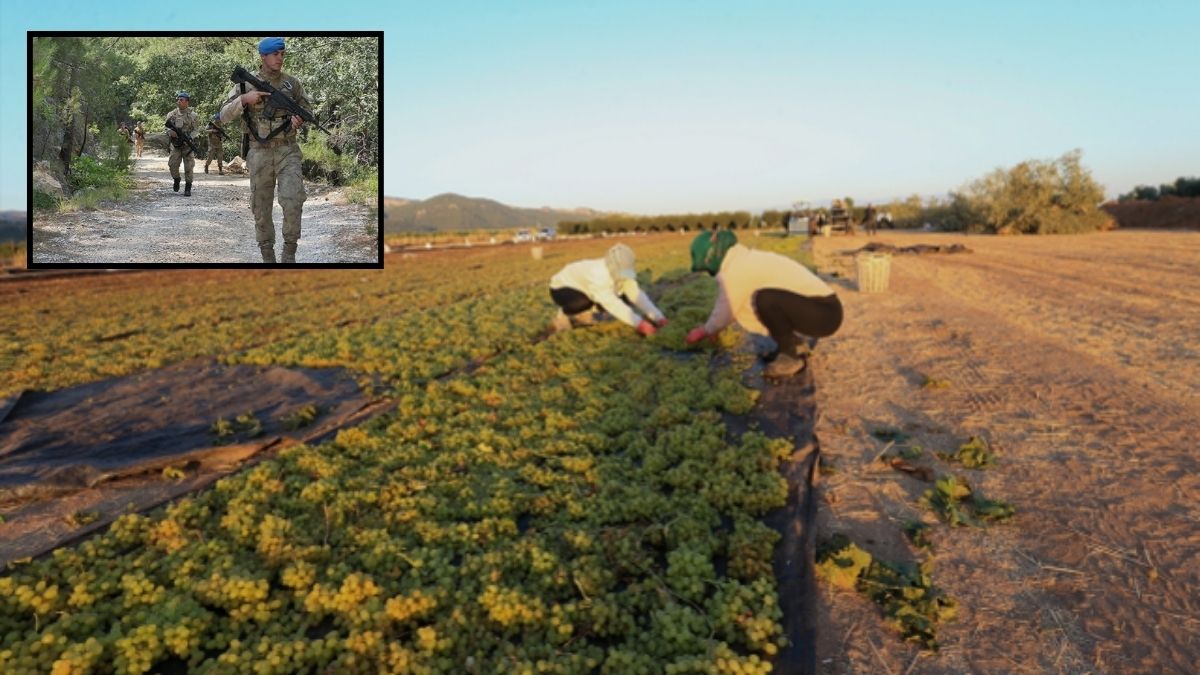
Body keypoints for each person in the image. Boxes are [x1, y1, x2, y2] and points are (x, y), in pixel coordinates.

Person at [684, 230, 843, 378]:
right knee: (754, 302)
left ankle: (790, 357)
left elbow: (727, 304)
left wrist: (705, 330)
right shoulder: (742, 259)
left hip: (825, 314)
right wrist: (716, 327)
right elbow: (734, 306)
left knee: (765, 300)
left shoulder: (737, 269)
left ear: (711, 258)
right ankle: (793, 345)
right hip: (823, 310)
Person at [219, 36, 311, 263]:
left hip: (287, 150)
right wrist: (244, 100)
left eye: (282, 53)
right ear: (263, 56)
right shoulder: (245, 85)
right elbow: (223, 116)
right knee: (261, 205)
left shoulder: (292, 84)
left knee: (292, 200)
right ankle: (267, 255)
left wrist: (300, 119)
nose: (280, 58)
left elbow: (308, 111)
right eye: (275, 53)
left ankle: (289, 253)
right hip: (258, 151)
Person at [548, 243, 667, 336]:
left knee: (623, 298)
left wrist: (658, 317)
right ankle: (563, 314)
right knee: (582, 303)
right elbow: (613, 305)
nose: (624, 273)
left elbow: (636, 295)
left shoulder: (626, 271)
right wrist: (639, 324)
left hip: (588, 288)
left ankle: (589, 311)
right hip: (562, 287)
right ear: (613, 266)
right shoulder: (599, 275)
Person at [165, 91, 199, 196]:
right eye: (178, 99)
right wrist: (170, 132)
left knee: (189, 167)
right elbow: (166, 127)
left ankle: (188, 188)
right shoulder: (172, 114)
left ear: (187, 102)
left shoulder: (193, 115)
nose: (178, 101)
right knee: (172, 165)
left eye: (181, 99)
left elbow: (196, 130)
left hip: (187, 146)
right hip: (175, 145)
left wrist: (190, 137)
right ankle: (176, 179)